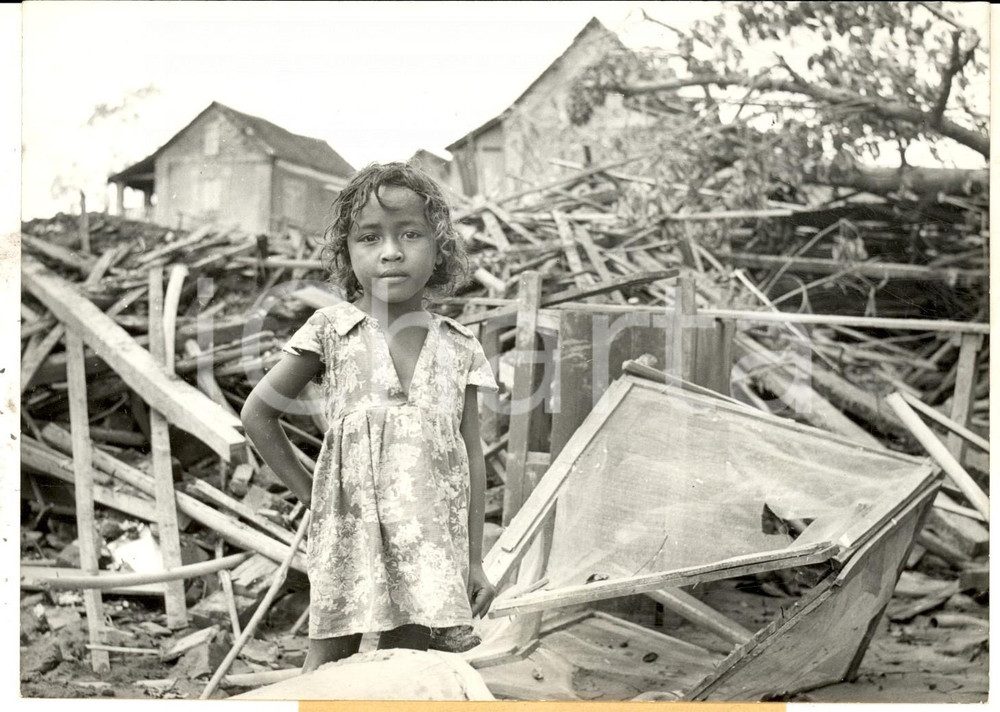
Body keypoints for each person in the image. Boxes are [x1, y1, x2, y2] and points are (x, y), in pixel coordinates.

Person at [241, 162, 497, 672]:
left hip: (428, 541)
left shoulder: (460, 348)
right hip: (349, 537)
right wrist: (315, 498)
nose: (391, 251)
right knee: (328, 660)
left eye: (410, 234)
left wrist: (474, 560)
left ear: (440, 247)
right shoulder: (332, 331)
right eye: (369, 237)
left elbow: (471, 457)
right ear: (346, 251)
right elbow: (258, 415)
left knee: (410, 664)